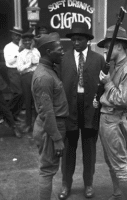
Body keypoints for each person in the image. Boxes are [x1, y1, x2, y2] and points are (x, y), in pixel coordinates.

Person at [59, 22, 105, 199]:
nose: (75, 42)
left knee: (89, 150)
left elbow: (104, 85)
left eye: (79, 39)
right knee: (68, 149)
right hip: (69, 109)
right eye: (73, 39)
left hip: (90, 110)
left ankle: (88, 184)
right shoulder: (63, 58)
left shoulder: (98, 59)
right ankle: (66, 184)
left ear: (88, 40)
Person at [93, 25, 127, 200]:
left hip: (114, 120)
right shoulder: (114, 65)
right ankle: (117, 193)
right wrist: (100, 98)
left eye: (108, 46)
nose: (106, 49)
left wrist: (108, 83)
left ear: (119, 46)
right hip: (106, 118)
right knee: (110, 162)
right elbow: (110, 94)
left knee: (119, 164)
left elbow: (122, 100)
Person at [32, 32, 68, 200]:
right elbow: (47, 112)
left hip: (54, 126)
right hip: (50, 129)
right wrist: (57, 138)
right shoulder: (44, 77)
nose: (62, 52)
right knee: (47, 170)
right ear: (48, 51)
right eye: (59, 49)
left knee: (49, 168)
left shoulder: (49, 70)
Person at [17, 30, 40, 134]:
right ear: (22, 42)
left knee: (36, 101)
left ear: (32, 41)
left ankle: (37, 124)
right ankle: (28, 124)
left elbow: (40, 64)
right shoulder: (21, 54)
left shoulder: (36, 51)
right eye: (25, 41)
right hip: (26, 78)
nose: (27, 43)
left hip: (36, 77)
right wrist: (30, 64)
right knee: (28, 101)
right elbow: (19, 68)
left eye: (29, 41)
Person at [3, 27, 24, 122]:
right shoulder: (8, 47)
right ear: (12, 36)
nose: (17, 37)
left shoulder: (23, 45)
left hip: (22, 71)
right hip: (13, 71)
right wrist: (19, 53)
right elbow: (9, 62)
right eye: (16, 35)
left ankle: (14, 115)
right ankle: (5, 111)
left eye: (19, 35)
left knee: (23, 94)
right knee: (18, 93)